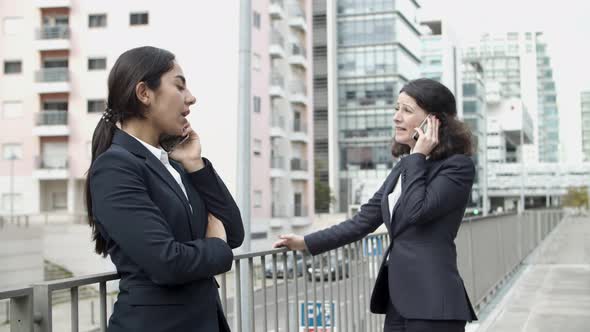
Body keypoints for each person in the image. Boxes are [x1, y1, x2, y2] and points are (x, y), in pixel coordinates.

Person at [274, 78, 478, 331]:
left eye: (407, 110)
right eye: (396, 108)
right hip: (399, 303)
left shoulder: (457, 167)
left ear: (434, 121)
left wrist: (418, 156)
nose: (396, 117)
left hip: (434, 303)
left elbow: (417, 211)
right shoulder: (404, 168)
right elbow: (363, 221)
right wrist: (305, 243)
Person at [85, 46, 244, 332]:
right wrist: (216, 247)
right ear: (144, 93)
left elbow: (233, 232)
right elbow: (167, 262)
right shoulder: (115, 167)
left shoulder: (175, 164)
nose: (191, 98)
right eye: (179, 86)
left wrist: (195, 163)